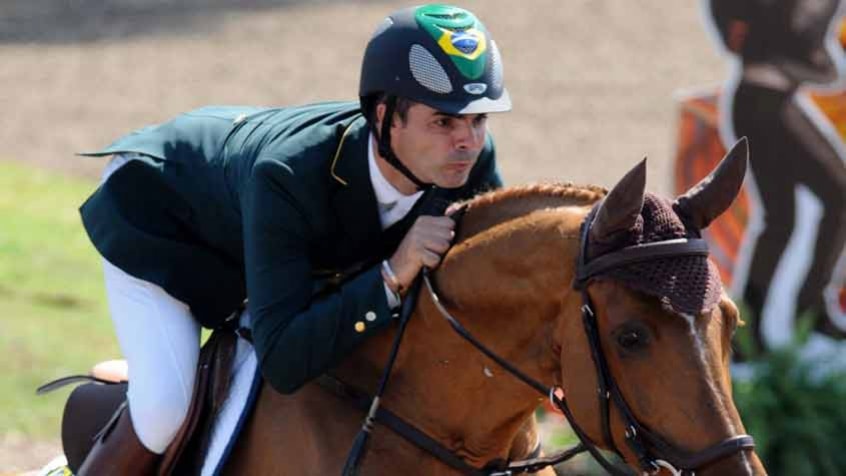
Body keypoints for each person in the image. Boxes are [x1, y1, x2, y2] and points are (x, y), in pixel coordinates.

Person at [73, 4, 511, 474]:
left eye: (478, 119)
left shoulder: (471, 163)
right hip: (162, 215)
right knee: (164, 410)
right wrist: (389, 275)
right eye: (443, 122)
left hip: (253, 223)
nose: (467, 141)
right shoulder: (287, 175)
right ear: (386, 117)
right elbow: (282, 361)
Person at [707, 0, 846, 356]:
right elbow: (799, 34)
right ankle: (804, 308)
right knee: (829, 200)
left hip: (771, 102)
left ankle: (755, 324)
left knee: (782, 220)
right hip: (763, 104)